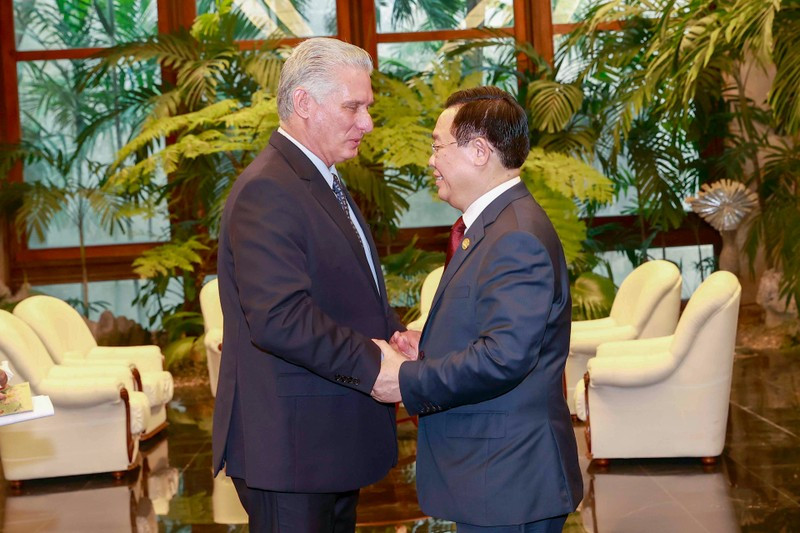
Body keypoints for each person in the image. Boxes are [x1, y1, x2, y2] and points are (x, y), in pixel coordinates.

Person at [212, 37, 405, 532]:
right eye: (353, 107)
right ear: (304, 104)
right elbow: (279, 318)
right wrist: (374, 364)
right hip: (291, 451)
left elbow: (343, 290)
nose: (367, 123)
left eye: (368, 107)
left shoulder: (319, 180)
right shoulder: (268, 189)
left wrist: (395, 334)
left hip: (323, 446)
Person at [372, 86, 583, 532]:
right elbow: (490, 331)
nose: (430, 160)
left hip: (510, 479)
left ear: (480, 151)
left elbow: (504, 357)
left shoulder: (515, 237)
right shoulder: (492, 226)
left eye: (436, 146)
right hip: (495, 478)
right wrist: (427, 345)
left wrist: (405, 379)